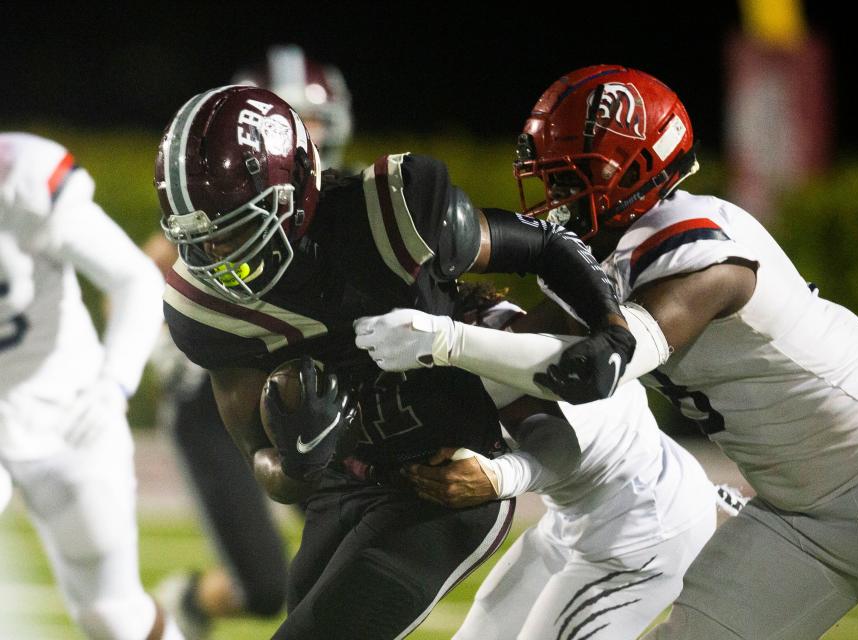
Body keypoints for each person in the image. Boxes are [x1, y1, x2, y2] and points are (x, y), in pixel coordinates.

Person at [350, 65, 858, 639]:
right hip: (796, 518)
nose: (555, 194)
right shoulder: (610, 258)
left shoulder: (704, 248)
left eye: (569, 175)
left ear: (634, 168)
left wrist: (445, 342)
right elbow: (518, 351)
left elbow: (592, 367)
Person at [155, 84, 636, 638]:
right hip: (343, 484)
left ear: (295, 191)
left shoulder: (388, 214)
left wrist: (612, 327)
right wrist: (299, 460)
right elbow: (261, 461)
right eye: (202, 238)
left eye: (235, 227)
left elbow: (542, 245)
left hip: (444, 479)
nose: (219, 256)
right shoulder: (205, 309)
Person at [359, 285, 720, 640]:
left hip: (646, 529)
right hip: (579, 515)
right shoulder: (472, 337)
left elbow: (558, 444)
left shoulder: (489, 352)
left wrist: (499, 476)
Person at [152, 44, 354, 638]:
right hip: (215, 404)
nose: (307, 135)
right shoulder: (218, 205)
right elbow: (150, 266)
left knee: (355, 540)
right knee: (267, 588)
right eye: (295, 119)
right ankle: (186, 603)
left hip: (299, 397)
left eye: (314, 120)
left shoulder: (343, 201)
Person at [0, 133, 183, 639]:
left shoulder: (21, 179)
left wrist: (113, 384)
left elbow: (135, 280)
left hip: (66, 414)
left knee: (112, 614)